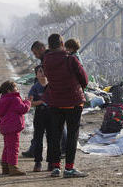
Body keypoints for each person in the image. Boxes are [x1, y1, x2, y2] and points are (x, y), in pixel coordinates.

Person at [43, 34, 88, 178]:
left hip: (55, 102)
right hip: (73, 101)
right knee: (72, 135)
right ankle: (69, 168)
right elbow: (84, 80)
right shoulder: (71, 59)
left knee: (55, 135)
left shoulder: (46, 60)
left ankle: (55, 167)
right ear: (62, 43)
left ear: (49, 45)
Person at [22, 41, 67, 163]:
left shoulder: (49, 58)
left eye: (36, 53)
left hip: (53, 96)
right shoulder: (48, 57)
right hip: (52, 96)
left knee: (55, 126)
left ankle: (59, 151)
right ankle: (38, 150)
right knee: (50, 127)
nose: (35, 55)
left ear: (42, 48)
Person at [0, 81, 31, 176]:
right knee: (13, 147)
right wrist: (27, 102)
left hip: (5, 127)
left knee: (7, 147)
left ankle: (5, 167)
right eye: (15, 88)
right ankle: (13, 167)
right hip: (13, 127)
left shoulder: (3, 99)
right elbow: (23, 109)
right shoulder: (14, 98)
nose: (17, 89)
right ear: (9, 90)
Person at [28, 65, 52, 172]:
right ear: (36, 75)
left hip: (52, 114)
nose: (42, 73)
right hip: (40, 114)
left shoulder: (52, 86)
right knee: (38, 139)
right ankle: (38, 162)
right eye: (40, 71)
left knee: (52, 138)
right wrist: (41, 102)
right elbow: (30, 103)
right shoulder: (35, 88)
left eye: (44, 71)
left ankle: (51, 162)